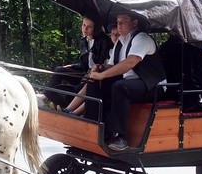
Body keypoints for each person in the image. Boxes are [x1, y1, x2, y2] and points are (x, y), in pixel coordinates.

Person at [86, 13, 166, 151]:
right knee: (95, 81)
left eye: (124, 21)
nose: (119, 25)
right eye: (118, 22)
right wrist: (100, 68)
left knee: (120, 87)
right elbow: (112, 66)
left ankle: (120, 137)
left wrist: (103, 75)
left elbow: (130, 62)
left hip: (153, 85)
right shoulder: (119, 42)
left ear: (134, 23)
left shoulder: (142, 38)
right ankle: (91, 124)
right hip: (132, 82)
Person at [43, 15, 112, 109]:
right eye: (84, 25)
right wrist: (71, 66)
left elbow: (101, 63)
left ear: (96, 28)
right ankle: (45, 97)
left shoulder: (104, 41)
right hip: (84, 72)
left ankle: (65, 107)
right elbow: (85, 63)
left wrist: (92, 71)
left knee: (78, 88)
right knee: (59, 70)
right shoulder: (83, 40)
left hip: (95, 74)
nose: (85, 29)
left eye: (89, 26)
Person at [63, 24, 120, 116]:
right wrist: (99, 67)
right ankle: (70, 110)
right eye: (113, 34)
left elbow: (118, 67)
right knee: (90, 83)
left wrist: (99, 70)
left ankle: (72, 111)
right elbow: (108, 65)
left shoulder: (115, 47)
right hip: (100, 77)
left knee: (92, 84)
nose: (114, 37)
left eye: (118, 35)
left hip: (113, 80)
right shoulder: (112, 49)